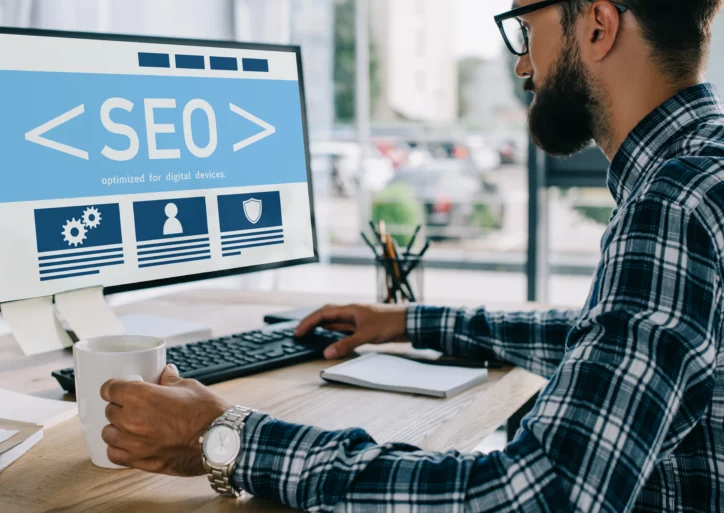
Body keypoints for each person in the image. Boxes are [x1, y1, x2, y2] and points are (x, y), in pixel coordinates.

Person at [99, 0, 724, 510]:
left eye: (525, 27)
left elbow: (538, 495)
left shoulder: (674, 205)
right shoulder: (705, 171)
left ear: (596, 24)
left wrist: (230, 438)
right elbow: (623, 350)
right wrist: (409, 322)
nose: (521, 66)